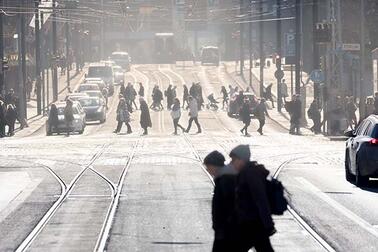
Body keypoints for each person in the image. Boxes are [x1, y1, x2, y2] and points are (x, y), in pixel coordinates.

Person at [231, 145, 275, 252]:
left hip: (253, 224)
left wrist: (268, 223)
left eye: (234, 160)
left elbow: (261, 199)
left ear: (241, 160)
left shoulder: (250, 174)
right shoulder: (243, 173)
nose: (232, 163)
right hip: (250, 223)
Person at [204, 151, 238, 252]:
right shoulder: (223, 177)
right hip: (225, 228)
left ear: (214, 166)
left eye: (208, 166)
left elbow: (227, 205)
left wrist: (222, 227)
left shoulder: (225, 180)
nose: (207, 170)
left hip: (227, 228)